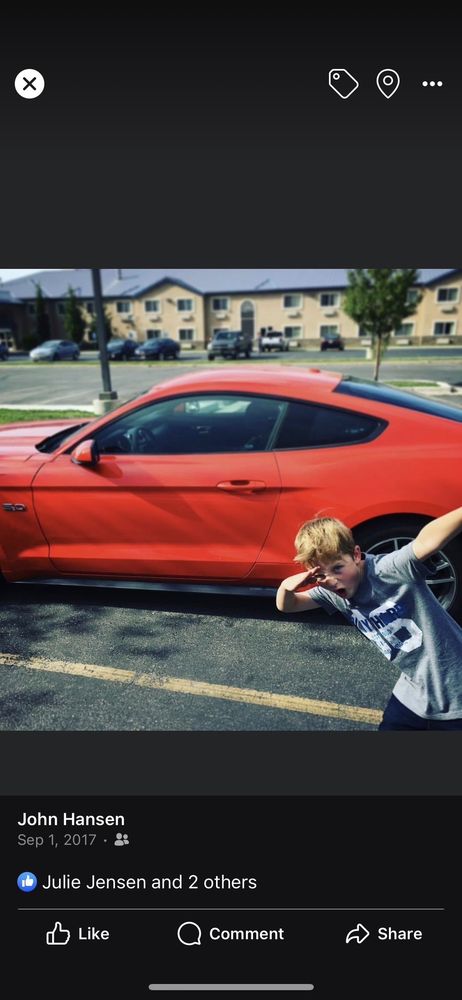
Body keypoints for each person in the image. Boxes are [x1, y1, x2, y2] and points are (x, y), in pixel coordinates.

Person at [275, 509, 462, 730]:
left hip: (455, 691)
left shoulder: (389, 570)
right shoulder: (331, 593)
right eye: (320, 575)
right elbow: (288, 605)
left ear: (355, 555)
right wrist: (286, 586)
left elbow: (428, 541)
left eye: (337, 568)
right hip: (413, 694)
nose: (332, 580)